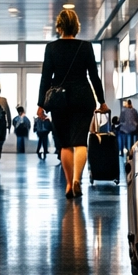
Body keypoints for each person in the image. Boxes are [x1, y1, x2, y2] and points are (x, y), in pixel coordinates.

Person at [36, 10, 108, 198]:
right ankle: (77, 179)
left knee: (66, 145)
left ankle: (69, 185)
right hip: (83, 98)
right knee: (80, 141)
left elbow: (45, 78)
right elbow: (94, 76)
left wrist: (41, 104)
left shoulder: (51, 48)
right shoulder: (85, 47)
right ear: (76, 26)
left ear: (59, 26)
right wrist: (102, 101)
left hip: (60, 100)